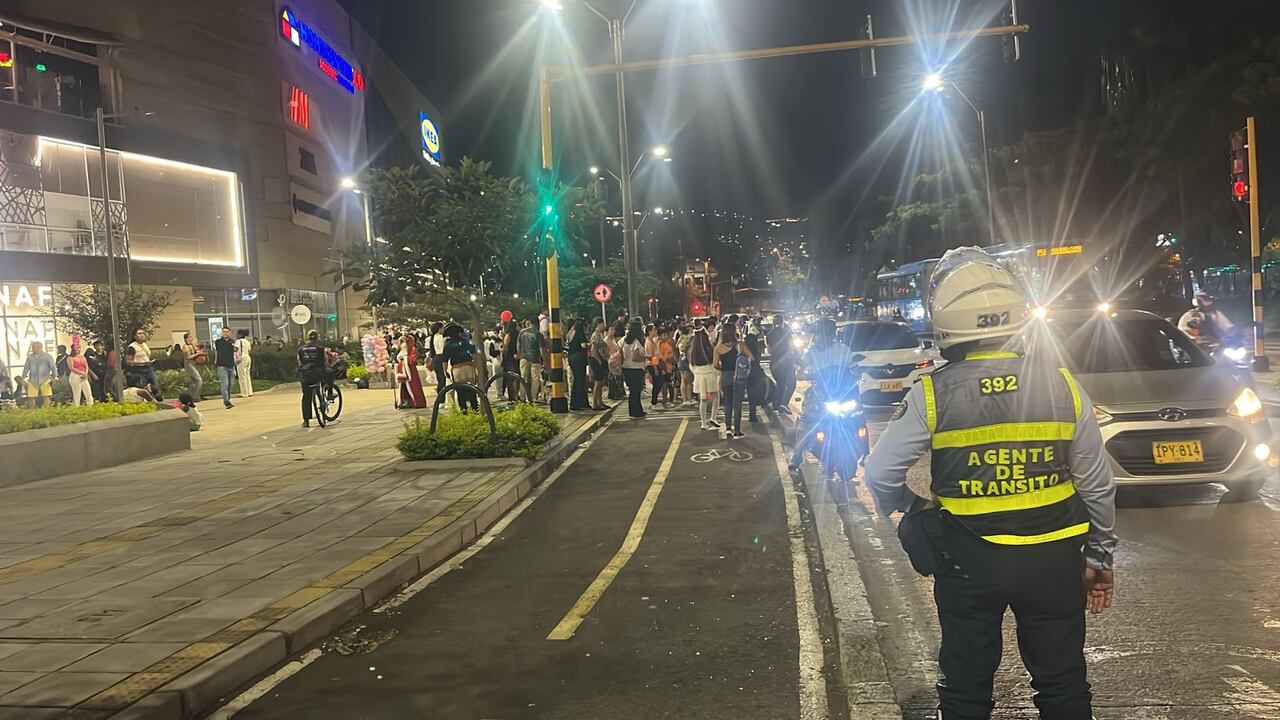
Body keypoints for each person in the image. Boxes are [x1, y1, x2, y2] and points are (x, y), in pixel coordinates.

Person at [863, 246, 1118, 720]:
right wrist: (1099, 556)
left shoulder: (933, 393)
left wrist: (913, 506)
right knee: (1062, 684)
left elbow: (879, 473)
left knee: (965, 688)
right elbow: (1098, 486)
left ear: (946, 325)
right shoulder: (1062, 384)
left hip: (967, 560)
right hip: (1054, 557)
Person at [714, 323, 752, 439]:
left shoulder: (718, 347)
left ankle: (728, 428)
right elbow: (752, 357)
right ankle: (737, 430)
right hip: (739, 377)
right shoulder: (740, 345)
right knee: (737, 404)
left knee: (728, 403)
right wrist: (743, 364)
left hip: (725, 377)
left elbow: (715, 364)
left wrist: (724, 368)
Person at [689, 322, 722, 431]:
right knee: (716, 396)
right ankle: (713, 417)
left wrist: (696, 374)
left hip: (699, 377)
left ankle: (703, 423)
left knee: (702, 400)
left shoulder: (693, 351)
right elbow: (714, 365)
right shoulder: (709, 349)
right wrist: (719, 373)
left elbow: (691, 366)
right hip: (710, 376)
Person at [442, 323, 480, 411]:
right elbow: (474, 355)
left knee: (460, 390)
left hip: (457, 369)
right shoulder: (467, 341)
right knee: (472, 389)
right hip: (469, 367)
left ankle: (464, 410)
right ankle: (475, 408)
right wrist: (474, 366)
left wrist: (445, 371)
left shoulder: (448, 345)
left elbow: (444, 360)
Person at [767, 312, 797, 415]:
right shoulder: (786, 332)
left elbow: (769, 350)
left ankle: (778, 404)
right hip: (786, 362)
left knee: (780, 384)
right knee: (791, 383)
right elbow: (791, 346)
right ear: (783, 322)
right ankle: (783, 404)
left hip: (774, 363)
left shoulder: (769, 335)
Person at [297, 330, 327, 428]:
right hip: (318, 373)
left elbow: (299, 362)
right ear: (317, 338)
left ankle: (306, 421)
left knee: (306, 396)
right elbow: (324, 362)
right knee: (327, 378)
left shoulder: (301, 349)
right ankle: (328, 395)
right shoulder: (320, 348)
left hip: (306, 375)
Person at [620, 320, 649, 419]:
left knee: (633, 391)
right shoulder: (635, 342)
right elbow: (635, 357)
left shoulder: (623, 340)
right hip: (635, 369)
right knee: (635, 391)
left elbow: (619, 351)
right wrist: (646, 357)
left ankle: (637, 410)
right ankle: (635, 412)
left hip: (626, 367)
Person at [518, 317, 547, 403]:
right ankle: (532, 399)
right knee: (535, 380)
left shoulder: (522, 332)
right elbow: (541, 349)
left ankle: (522, 397)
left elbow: (518, 345)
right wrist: (544, 359)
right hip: (535, 359)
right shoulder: (538, 334)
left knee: (523, 378)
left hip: (523, 358)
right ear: (537, 324)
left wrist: (520, 355)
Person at [126, 329, 160, 400]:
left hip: (148, 367)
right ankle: (145, 400)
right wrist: (142, 362)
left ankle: (155, 398)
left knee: (154, 385)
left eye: (143, 333)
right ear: (135, 336)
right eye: (139, 333)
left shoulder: (144, 345)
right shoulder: (132, 347)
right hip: (138, 369)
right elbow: (128, 361)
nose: (142, 335)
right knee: (142, 386)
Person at [396, 335, 428, 409]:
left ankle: (416, 402)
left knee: (413, 386)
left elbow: (413, 361)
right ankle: (406, 401)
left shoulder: (413, 349)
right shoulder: (404, 349)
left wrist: (405, 358)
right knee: (404, 387)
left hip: (411, 371)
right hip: (404, 369)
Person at [565, 317, 590, 411]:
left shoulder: (571, 333)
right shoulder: (579, 331)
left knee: (576, 380)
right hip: (579, 358)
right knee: (580, 380)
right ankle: (581, 402)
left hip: (571, 357)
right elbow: (583, 345)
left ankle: (574, 402)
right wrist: (589, 344)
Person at [21, 342, 56, 409]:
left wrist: (54, 377)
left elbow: (53, 367)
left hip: (45, 379)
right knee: (31, 397)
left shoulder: (48, 357)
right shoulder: (30, 357)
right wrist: (23, 377)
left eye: (34, 347)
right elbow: (26, 368)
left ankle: (47, 411)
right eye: (33, 348)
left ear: (39, 348)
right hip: (32, 380)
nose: (33, 349)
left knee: (46, 396)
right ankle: (33, 412)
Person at [588, 318, 609, 411]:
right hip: (596, 360)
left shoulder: (600, 334)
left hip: (601, 359)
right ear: (598, 324)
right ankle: (595, 403)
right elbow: (593, 349)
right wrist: (598, 360)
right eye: (602, 324)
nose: (603, 325)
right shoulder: (595, 335)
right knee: (597, 382)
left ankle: (600, 402)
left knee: (601, 382)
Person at [212, 326, 237, 409]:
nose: (225, 333)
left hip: (231, 365)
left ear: (230, 333)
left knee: (231, 384)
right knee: (224, 384)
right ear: (221, 333)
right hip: (222, 366)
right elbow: (216, 352)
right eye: (224, 331)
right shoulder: (218, 342)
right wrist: (215, 360)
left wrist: (235, 348)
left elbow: (235, 350)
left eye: (227, 332)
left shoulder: (232, 342)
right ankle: (226, 401)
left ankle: (228, 399)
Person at [66, 343, 93, 407]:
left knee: (88, 391)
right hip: (75, 376)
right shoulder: (70, 358)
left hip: (83, 375)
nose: (79, 349)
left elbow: (86, 366)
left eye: (79, 348)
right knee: (77, 393)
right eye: (77, 348)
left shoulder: (82, 357)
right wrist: (81, 373)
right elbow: (72, 368)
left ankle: (90, 405)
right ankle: (76, 407)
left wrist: (85, 373)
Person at [182, 331, 206, 402]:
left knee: (193, 382)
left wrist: (200, 352)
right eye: (190, 337)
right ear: (186, 339)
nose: (191, 338)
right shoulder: (185, 347)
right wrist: (197, 354)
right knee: (199, 380)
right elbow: (188, 357)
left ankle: (190, 397)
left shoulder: (192, 345)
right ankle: (196, 397)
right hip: (189, 364)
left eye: (191, 337)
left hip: (194, 364)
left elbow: (197, 351)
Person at [501, 319, 521, 401]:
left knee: (510, 378)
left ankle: (511, 396)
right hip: (516, 357)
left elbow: (505, 346)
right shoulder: (519, 334)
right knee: (517, 377)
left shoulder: (508, 335)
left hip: (509, 358)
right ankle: (516, 394)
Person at [676, 322, 695, 406]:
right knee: (684, 380)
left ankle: (689, 398)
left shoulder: (687, 338)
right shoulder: (682, 339)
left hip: (688, 360)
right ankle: (685, 399)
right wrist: (687, 347)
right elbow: (681, 347)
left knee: (689, 381)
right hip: (683, 360)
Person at [427, 322, 448, 394]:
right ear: (439, 329)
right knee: (443, 379)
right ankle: (442, 397)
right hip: (441, 358)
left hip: (436, 358)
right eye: (443, 328)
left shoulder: (434, 337)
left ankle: (440, 396)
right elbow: (443, 350)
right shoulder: (442, 338)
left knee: (440, 379)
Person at [235, 329, 254, 398]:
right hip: (248, 357)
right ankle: (250, 391)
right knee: (247, 375)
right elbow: (249, 349)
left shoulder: (238, 341)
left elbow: (235, 349)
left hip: (241, 358)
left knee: (241, 376)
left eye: (237, 334)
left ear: (240, 335)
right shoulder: (247, 341)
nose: (236, 335)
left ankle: (244, 393)